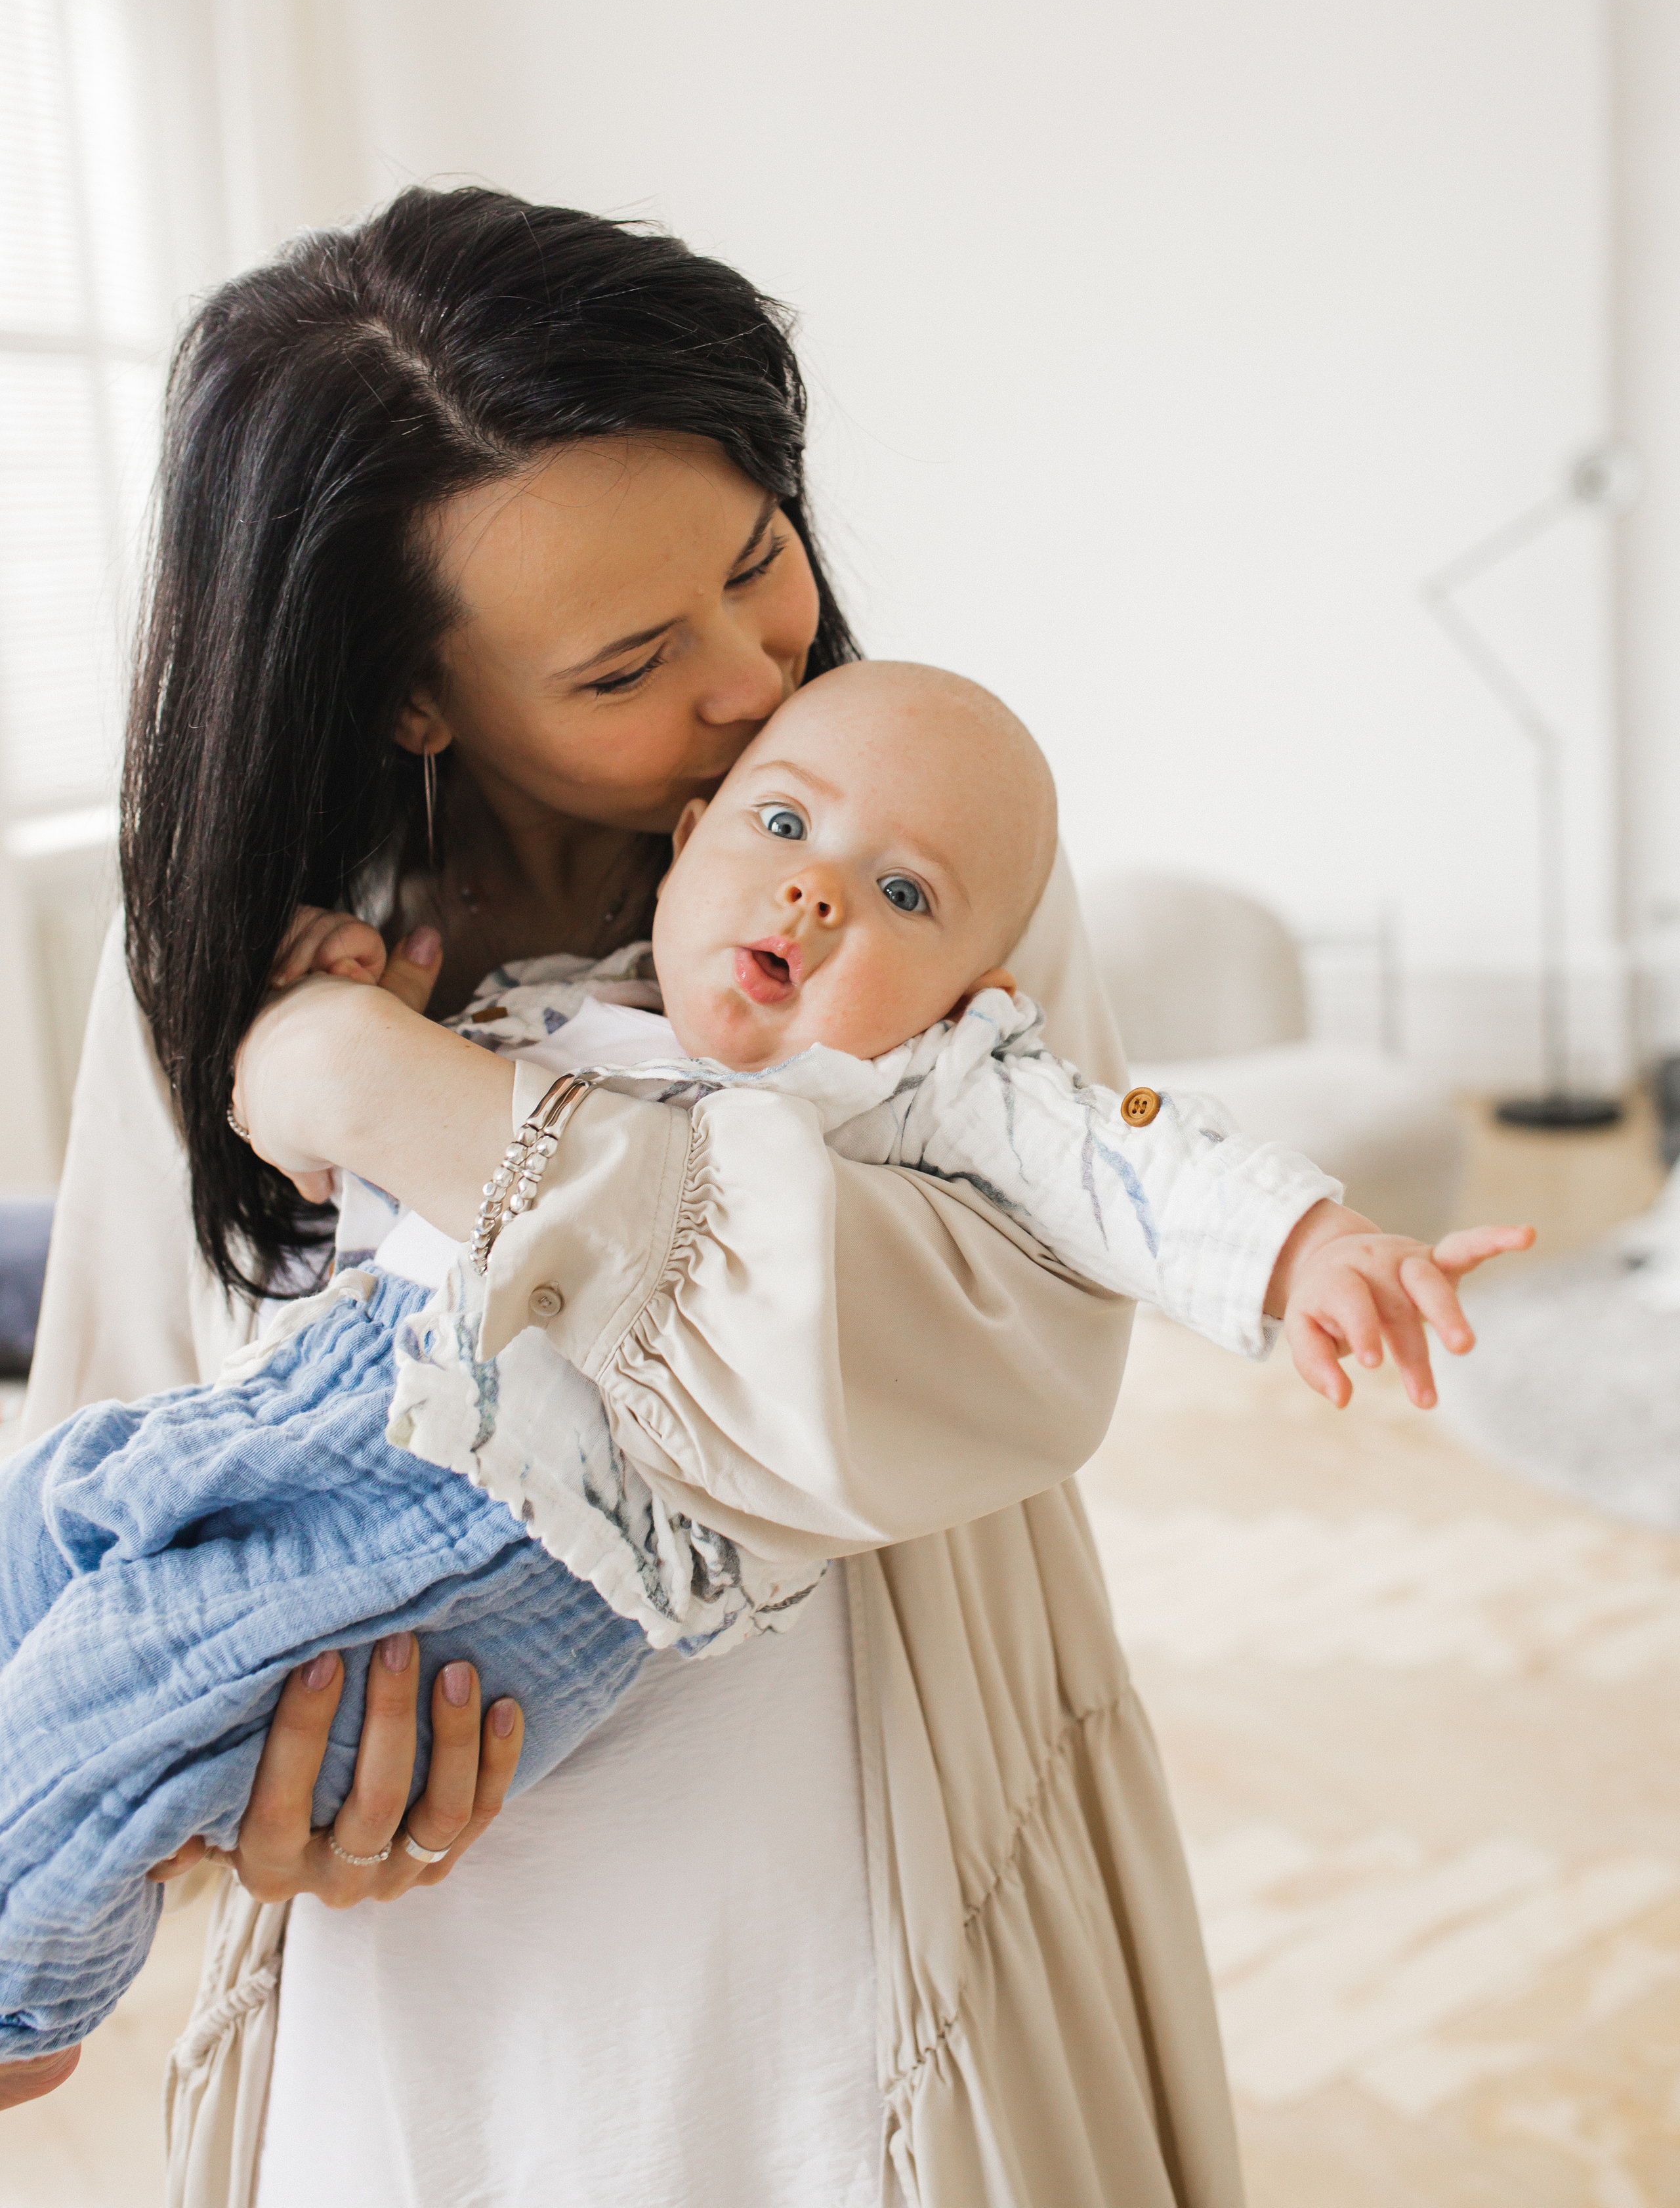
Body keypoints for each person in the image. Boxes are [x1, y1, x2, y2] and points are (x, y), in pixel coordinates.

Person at [5, 185, 1344, 2207]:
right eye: (636, 660)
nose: (751, 687)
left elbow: (992, 1364)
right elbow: (123, 1417)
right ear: (408, 694)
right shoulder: (216, 950)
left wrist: (410, 1094)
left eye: (759, 560)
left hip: (841, 1849)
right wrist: (232, 1810)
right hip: (425, 1929)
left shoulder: (914, 863)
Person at [0, 658, 1531, 2065]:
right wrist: (361, 1021)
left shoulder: (927, 1086)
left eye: (903, 895)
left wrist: (1310, 1244)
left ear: (972, 997)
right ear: (688, 841)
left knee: (132, 1682)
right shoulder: (564, 1006)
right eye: (783, 825)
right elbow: (358, 1201)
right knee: (56, 1507)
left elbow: (1138, 1161)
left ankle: (27, 2013)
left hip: (506, 1509)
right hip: (340, 1398)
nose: (815, 891)